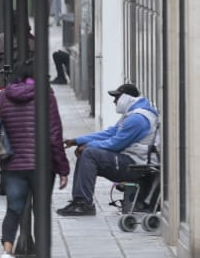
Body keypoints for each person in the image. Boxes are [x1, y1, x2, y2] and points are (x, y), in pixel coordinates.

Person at [0, 75, 67, 258]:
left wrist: (1, 157)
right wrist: (63, 168)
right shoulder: (46, 96)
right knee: (41, 211)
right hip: (42, 164)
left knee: (13, 209)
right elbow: (54, 133)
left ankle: (7, 253)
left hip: (13, 163)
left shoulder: (2, 97)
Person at [57, 82, 159, 217]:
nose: (114, 101)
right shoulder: (133, 113)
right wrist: (77, 141)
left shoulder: (137, 118)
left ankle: (83, 203)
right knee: (87, 153)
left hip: (136, 164)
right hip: (132, 160)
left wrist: (89, 145)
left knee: (89, 154)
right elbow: (109, 133)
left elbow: (116, 144)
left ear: (127, 98)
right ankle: (80, 201)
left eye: (117, 97)